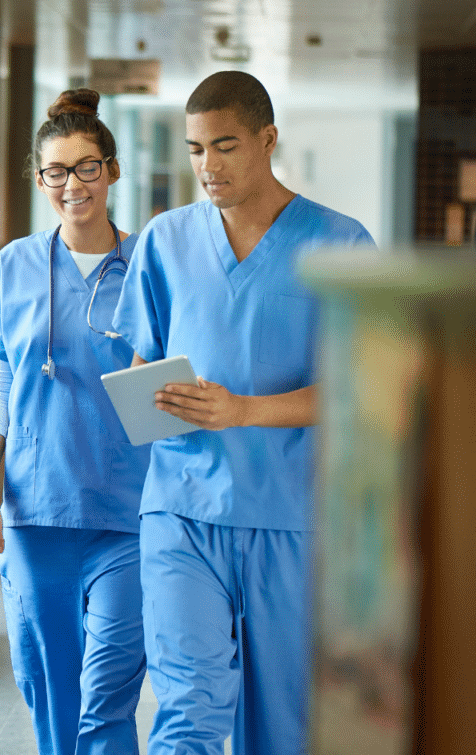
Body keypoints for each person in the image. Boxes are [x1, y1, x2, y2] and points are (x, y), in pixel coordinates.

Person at [111, 71, 375, 755]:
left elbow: (356, 394)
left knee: (281, 727)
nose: (208, 166)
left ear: (268, 140)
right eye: (196, 149)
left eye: (224, 146)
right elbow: (145, 362)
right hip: (179, 509)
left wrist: (244, 410)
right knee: (189, 710)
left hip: (288, 518)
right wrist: (150, 396)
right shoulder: (165, 241)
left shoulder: (340, 245)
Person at [0, 87, 150, 755]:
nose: (72, 185)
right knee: (50, 687)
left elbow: (169, 381)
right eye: (56, 171)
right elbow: (0, 374)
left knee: (108, 691)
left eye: (86, 167)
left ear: (111, 169)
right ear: (39, 178)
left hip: (129, 513)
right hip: (35, 509)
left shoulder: (147, 266)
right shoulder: (15, 265)